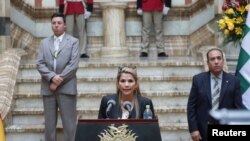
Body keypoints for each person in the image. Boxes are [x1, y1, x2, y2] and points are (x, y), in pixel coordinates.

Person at [36, 12, 80, 141]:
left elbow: (73, 65)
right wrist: (51, 77)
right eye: (54, 23)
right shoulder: (44, 43)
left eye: (59, 23)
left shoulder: (73, 42)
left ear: (65, 25)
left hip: (67, 88)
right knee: (49, 125)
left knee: (69, 124)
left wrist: (58, 81)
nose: (56, 25)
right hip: (48, 87)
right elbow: (39, 63)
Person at [187, 48, 245, 141]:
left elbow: (238, 108)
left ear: (223, 60)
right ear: (208, 62)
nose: (216, 61)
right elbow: (191, 106)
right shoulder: (198, 80)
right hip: (203, 131)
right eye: (212, 59)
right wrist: (193, 129)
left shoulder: (234, 81)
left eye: (219, 58)